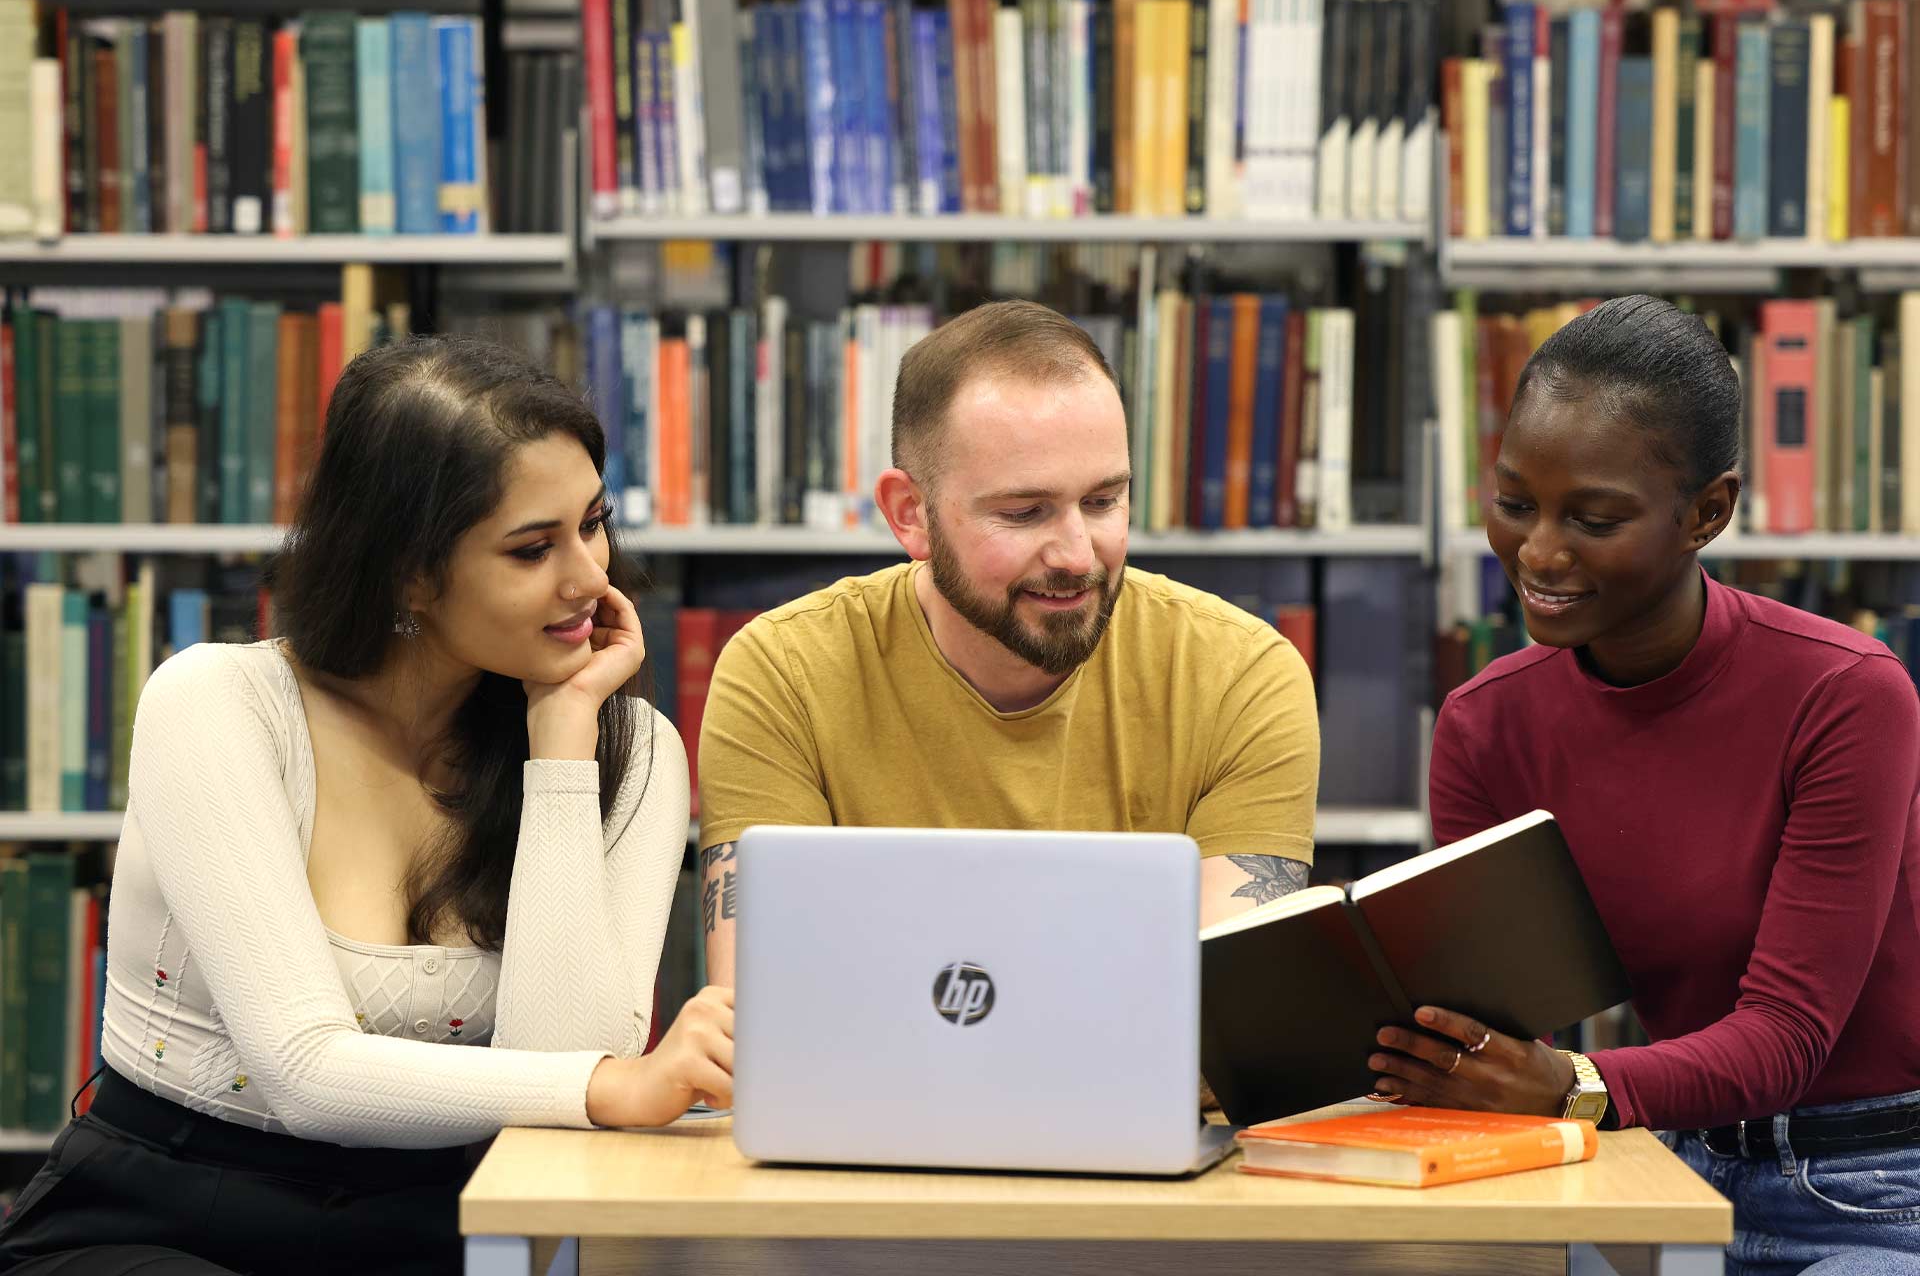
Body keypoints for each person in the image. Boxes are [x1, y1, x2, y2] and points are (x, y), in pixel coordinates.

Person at [0, 337, 733, 1276]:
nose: (592, 578)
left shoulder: (627, 750)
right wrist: (611, 1086)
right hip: (166, 1212)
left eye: (593, 523)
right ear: (408, 574)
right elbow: (304, 1072)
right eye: (532, 548)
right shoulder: (218, 703)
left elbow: (562, 1064)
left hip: (443, 1219)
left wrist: (561, 745)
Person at [1388, 295, 1920, 1274]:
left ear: (1707, 512)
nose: (1540, 552)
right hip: (1651, 1162)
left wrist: (1568, 1079)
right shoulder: (1484, 723)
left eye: (1593, 518)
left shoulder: (1848, 694)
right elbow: (1507, 1041)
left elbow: (1787, 1038)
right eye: (1515, 502)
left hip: (1877, 1184)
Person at [695, 299, 1320, 986]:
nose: (1078, 554)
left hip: (1159, 1101)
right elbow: (767, 1011)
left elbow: (1226, 1017)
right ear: (912, 515)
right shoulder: (783, 673)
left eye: (1104, 501)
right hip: (876, 1100)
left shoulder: (1242, 676)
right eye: (1025, 513)